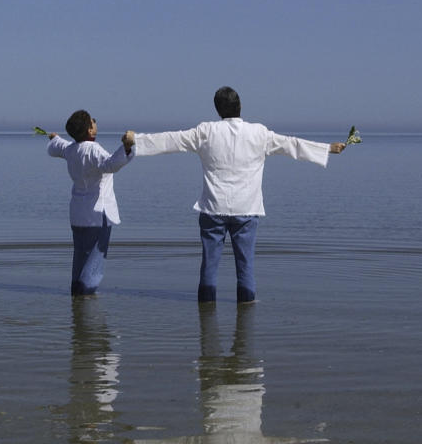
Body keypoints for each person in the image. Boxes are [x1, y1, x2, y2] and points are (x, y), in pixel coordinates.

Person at [130, 87, 346, 304]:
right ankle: (246, 318)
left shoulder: (206, 132)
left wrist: (135, 140)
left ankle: (206, 319)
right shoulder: (258, 133)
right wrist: (327, 148)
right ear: (240, 106)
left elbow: (171, 140)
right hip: (247, 209)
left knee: (209, 265)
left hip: (213, 208)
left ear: (217, 110)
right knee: (246, 265)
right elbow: (292, 145)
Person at [47, 110, 136, 296]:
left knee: (80, 258)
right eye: (92, 121)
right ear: (90, 131)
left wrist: (54, 138)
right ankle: (85, 301)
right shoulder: (93, 150)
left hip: (78, 215)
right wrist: (127, 147)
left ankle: (76, 299)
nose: (95, 122)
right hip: (98, 214)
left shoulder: (71, 149)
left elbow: (58, 147)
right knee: (95, 261)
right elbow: (111, 164)